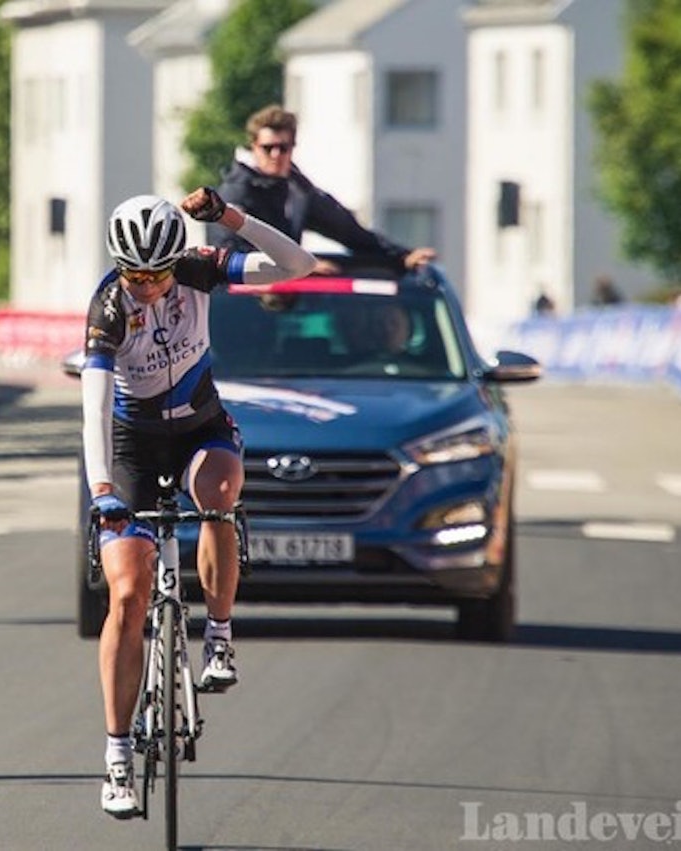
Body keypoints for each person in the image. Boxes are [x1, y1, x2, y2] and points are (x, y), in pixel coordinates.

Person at [83, 187, 315, 818]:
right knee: (128, 596)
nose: (150, 286)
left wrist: (231, 219)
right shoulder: (108, 307)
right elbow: (94, 413)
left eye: (158, 273)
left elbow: (300, 267)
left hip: (198, 428)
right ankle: (117, 757)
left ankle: (218, 636)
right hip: (131, 447)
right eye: (137, 274)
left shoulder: (197, 268)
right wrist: (103, 493)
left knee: (218, 493)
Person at [206, 104, 436, 273]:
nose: (276, 155)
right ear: (254, 148)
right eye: (268, 148)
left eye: (283, 148)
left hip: (288, 293)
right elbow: (229, 253)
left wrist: (401, 256)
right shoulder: (235, 193)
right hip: (244, 297)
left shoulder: (297, 190)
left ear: (293, 148)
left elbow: (348, 231)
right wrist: (303, 269)